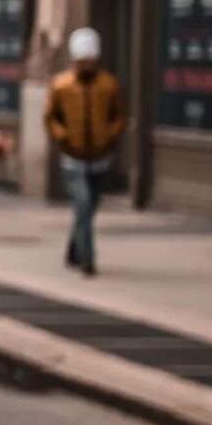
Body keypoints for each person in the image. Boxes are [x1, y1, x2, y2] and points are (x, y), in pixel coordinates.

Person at [44, 26, 127, 276]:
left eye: (90, 59)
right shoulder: (61, 85)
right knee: (82, 204)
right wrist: (63, 136)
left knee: (87, 210)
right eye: (82, 59)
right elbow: (50, 117)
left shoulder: (108, 85)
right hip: (73, 158)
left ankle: (73, 249)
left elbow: (119, 115)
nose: (86, 64)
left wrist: (110, 136)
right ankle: (88, 260)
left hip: (100, 158)